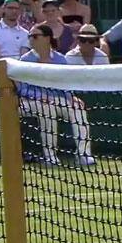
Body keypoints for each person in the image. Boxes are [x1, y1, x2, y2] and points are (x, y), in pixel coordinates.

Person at [19, 24, 95, 166]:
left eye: (35, 36)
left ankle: (83, 154)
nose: (31, 40)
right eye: (30, 37)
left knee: (77, 108)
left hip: (56, 100)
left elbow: (65, 84)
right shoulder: (25, 60)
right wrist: (38, 96)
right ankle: (50, 157)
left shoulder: (60, 59)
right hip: (29, 102)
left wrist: (71, 97)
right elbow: (21, 88)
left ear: (47, 38)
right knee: (46, 109)